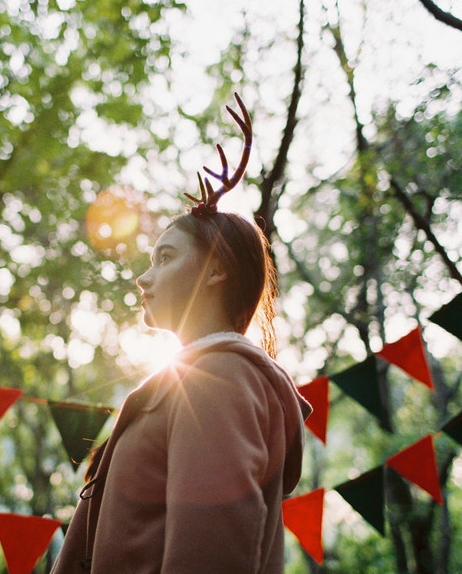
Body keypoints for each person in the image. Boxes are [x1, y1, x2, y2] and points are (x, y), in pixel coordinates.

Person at [52, 94, 312, 573]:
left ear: (217, 269)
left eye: (165, 258)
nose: (142, 278)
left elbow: (211, 551)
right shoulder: (191, 381)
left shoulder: (217, 381)